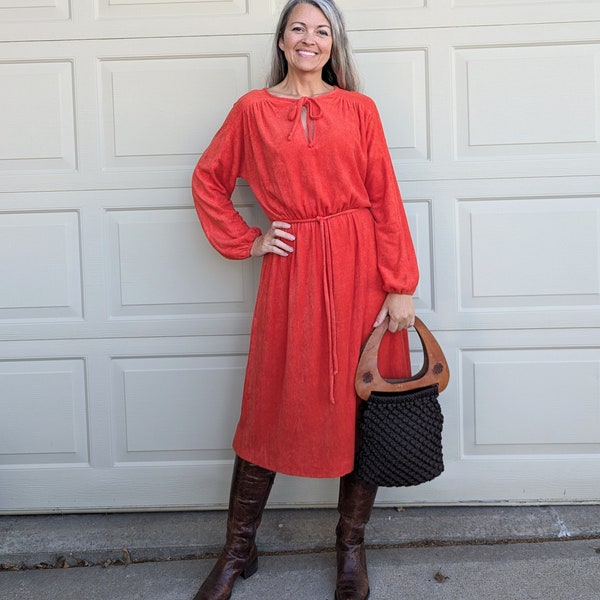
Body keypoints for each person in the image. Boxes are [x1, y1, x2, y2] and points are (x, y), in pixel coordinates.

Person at [190, 1, 418, 598]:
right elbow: (208, 178)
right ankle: (239, 550)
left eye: (322, 30)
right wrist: (251, 240)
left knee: (362, 403)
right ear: (283, 40)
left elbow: (384, 196)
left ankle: (351, 548)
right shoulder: (253, 110)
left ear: (333, 43)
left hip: (360, 269)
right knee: (272, 400)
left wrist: (400, 285)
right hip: (292, 274)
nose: (309, 39)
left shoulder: (359, 109)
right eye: (299, 28)